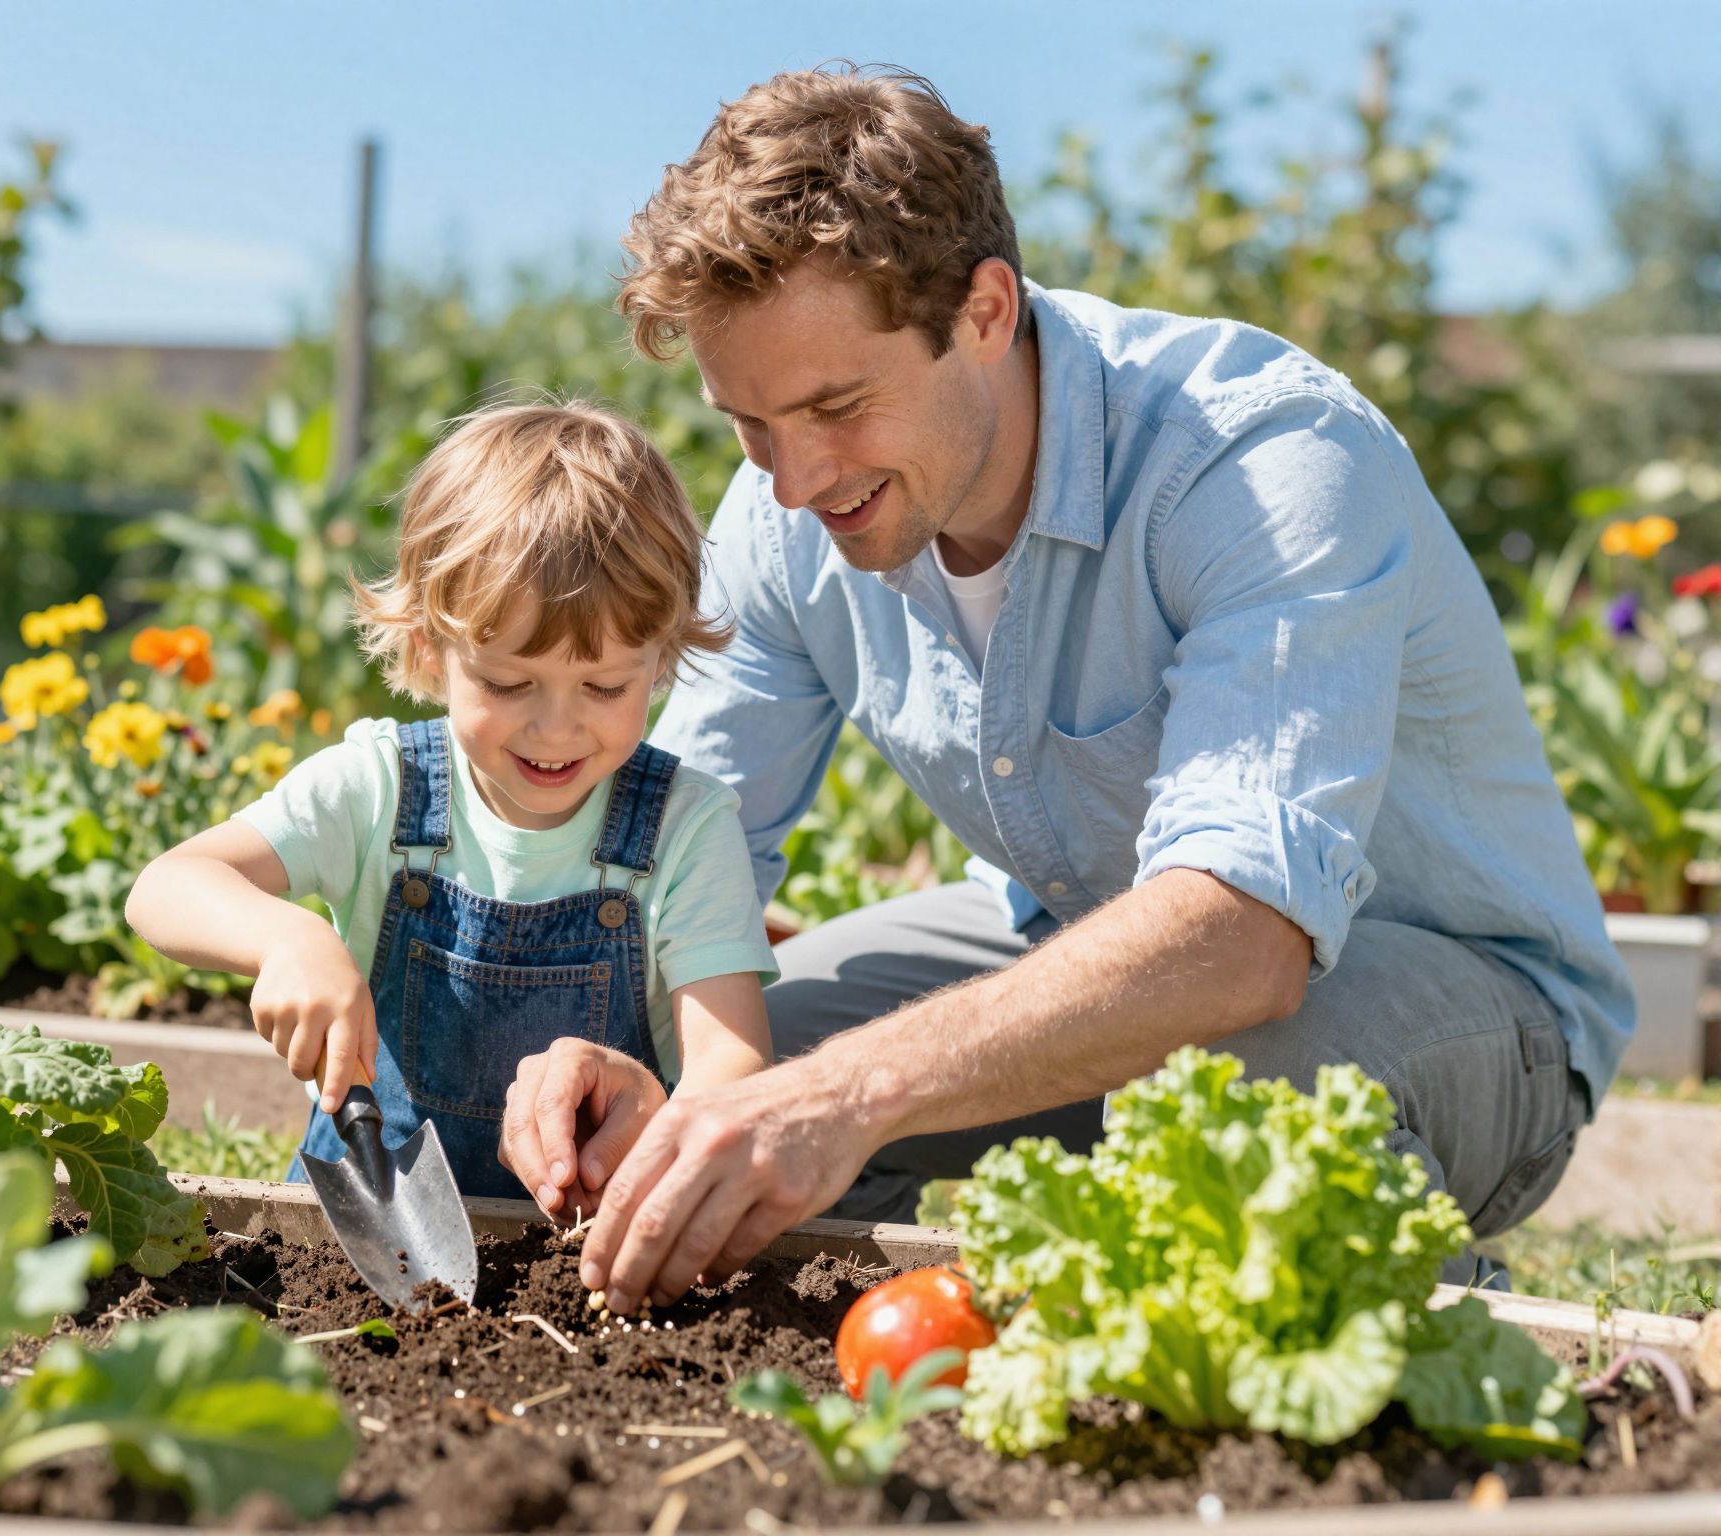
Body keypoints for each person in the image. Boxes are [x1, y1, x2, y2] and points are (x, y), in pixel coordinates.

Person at [496, 64, 1635, 1316]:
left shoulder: (1258, 462)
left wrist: (840, 1098)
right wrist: (617, 1040)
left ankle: (1437, 1323)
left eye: (833, 406)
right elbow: (689, 867)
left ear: (983, 311)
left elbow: (1244, 939)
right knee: (738, 1064)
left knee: (1229, 1079)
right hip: (1068, 952)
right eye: (749, 425)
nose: (792, 480)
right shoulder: (784, 520)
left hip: (1447, 1006)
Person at [125, 402, 775, 1202]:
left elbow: (731, 1061)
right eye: (507, 682)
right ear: (432, 650)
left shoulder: (684, 828)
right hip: (367, 1218)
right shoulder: (381, 788)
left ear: (662, 656)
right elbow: (166, 886)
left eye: (605, 686)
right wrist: (284, 938)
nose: (556, 726)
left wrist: (641, 1094)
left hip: (583, 1229)